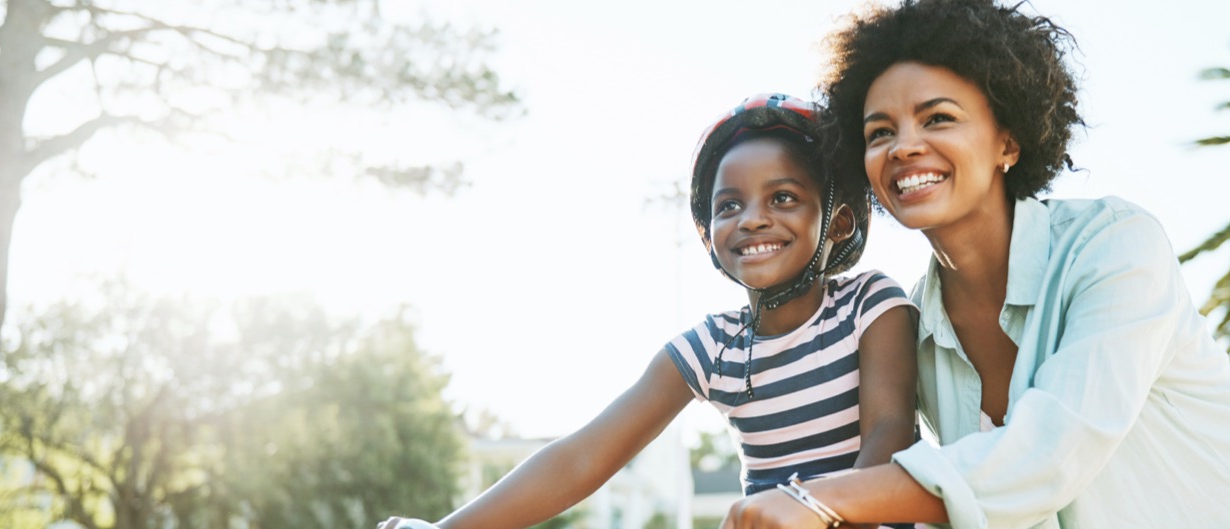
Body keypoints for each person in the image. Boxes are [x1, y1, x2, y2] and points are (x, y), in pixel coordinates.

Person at [718, 1, 1230, 528]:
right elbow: (1002, 503)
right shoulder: (918, 325)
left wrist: (812, 500)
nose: (904, 145)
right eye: (879, 132)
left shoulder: (1114, 246)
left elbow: (1049, 455)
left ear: (1008, 141)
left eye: (937, 118)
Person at [377, 93, 920, 529]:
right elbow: (583, 458)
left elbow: (891, 430)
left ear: (839, 223)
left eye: (782, 198)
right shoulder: (714, 347)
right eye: (729, 205)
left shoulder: (869, 304)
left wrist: (822, 511)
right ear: (709, 237)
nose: (752, 219)